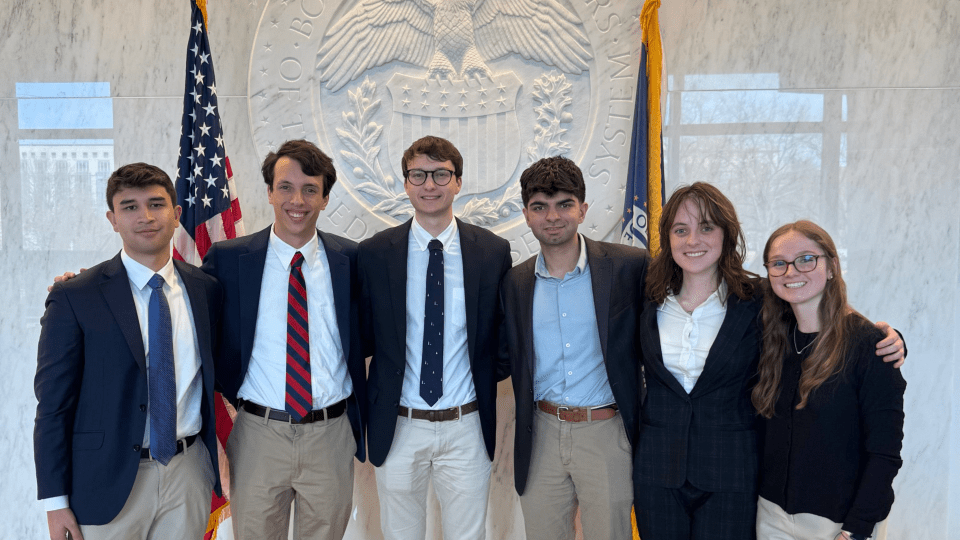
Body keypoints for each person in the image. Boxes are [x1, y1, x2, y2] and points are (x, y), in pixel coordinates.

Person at [633, 183, 905, 540]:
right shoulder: (646, 298)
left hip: (731, 474)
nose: (692, 240)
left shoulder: (757, 297)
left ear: (726, 234)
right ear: (667, 238)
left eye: (707, 227)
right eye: (680, 230)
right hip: (657, 473)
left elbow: (819, 310)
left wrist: (885, 336)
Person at [35, 163, 222, 540]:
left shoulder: (206, 290)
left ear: (176, 214)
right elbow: (53, 406)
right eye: (130, 207)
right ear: (113, 219)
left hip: (187, 474)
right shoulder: (76, 296)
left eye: (157, 204)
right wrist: (55, 503)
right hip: (105, 481)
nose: (146, 217)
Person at [201, 139, 365, 540]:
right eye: (286, 187)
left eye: (311, 189)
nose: (298, 199)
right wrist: (83, 284)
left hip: (330, 434)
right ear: (270, 192)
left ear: (325, 199)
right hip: (258, 434)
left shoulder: (353, 260)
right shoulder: (228, 259)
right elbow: (184, 307)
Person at [358, 135, 512, 540]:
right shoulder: (375, 253)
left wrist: (482, 376)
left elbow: (503, 334)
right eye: (419, 175)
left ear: (458, 183)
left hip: (466, 424)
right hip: (399, 422)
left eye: (441, 174)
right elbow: (364, 335)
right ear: (406, 183)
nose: (430, 184)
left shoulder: (491, 251)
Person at [499, 156, 647, 539]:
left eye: (564, 204)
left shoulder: (629, 267)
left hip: (606, 431)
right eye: (540, 207)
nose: (552, 216)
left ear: (582, 209)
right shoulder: (515, 282)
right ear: (526, 215)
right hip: (541, 432)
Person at [753, 221, 906, 540]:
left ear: (833, 266)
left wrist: (855, 531)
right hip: (770, 517)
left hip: (839, 524)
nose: (791, 271)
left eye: (807, 258)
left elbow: (885, 453)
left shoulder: (870, 345)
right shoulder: (770, 339)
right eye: (779, 263)